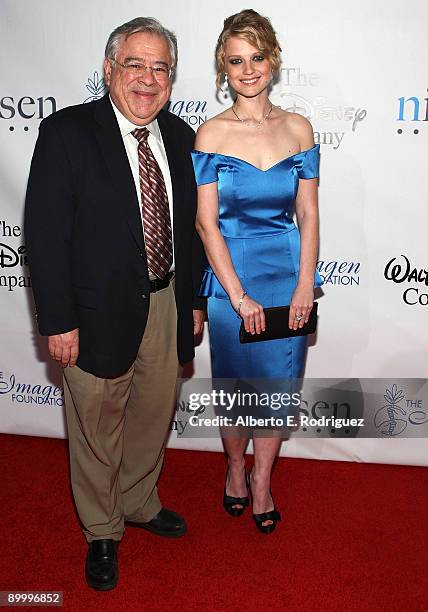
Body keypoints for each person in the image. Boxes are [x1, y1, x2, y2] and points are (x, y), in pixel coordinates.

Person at [25, 17, 205, 590]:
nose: (148, 80)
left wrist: (194, 303)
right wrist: (57, 321)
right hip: (93, 312)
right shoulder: (66, 133)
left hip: (165, 305)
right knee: (96, 427)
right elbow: (46, 236)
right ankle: (102, 529)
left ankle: (139, 501)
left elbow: (193, 232)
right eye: (136, 64)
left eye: (161, 68)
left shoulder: (181, 137)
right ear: (109, 69)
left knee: (153, 416)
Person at [191, 9, 323, 534]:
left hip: (286, 271)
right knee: (237, 385)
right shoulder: (211, 135)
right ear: (223, 68)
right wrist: (239, 297)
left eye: (257, 57)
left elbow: (309, 214)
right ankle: (233, 467)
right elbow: (206, 225)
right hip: (231, 279)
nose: (248, 69)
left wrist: (303, 285)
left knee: (277, 386)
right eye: (236, 60)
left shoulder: (298, 129)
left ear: (273, 60)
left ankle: (263, 479)